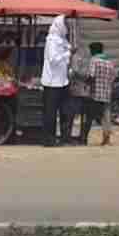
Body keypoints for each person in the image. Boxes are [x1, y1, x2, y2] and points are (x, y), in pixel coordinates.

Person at [40, 14, 72, 146]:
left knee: (66, 111)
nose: (67, 27)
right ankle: (49, 139)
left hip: (63, 81)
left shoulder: (62, 40)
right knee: (50, 113)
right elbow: (53, 59)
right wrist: (67, 54)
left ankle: (65, 138)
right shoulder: (52, 41)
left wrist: (68, 54)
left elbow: (65, 59)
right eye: (66, 24)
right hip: (52, 83)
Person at [83, 42, 117, 147]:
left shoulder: (94, 60)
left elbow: (91, 75)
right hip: (107, 92)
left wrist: (85, 83)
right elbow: (113, 77)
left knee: (89, 116)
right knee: (106, 116)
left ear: (93, 51)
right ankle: (106, 138)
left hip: (95, 93)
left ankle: (83, 138)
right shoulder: (109, 62)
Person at [68, 41, 92, 144]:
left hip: (77, 91)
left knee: (74, 115)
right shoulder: (86, 58)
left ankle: (77, 137)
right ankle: (82, 138)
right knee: (83, 116)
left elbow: (75, 71)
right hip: (84, 91)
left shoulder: (75, 58)